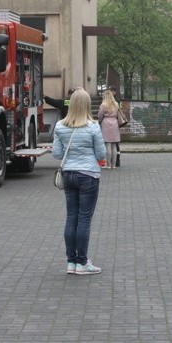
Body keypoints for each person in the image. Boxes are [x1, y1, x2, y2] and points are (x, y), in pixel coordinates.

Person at [53, 89, 105, 275]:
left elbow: (57, 154)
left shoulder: (60, 126)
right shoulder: (92, 127)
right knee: (84, 219)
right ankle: (82, 263)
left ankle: (71, 262)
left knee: (71, 217)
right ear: (87, 105)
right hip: (88, 175)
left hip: (68, 175)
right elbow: (101, 154)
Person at [97, 90, 123, 169]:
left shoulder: (103, 105)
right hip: (114, 122)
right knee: (114, 144)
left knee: (108, 144)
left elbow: (100, 115)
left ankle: (108, 164)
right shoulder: (116, 104)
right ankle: (113, 164)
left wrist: (100, 120)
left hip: (106, 123)